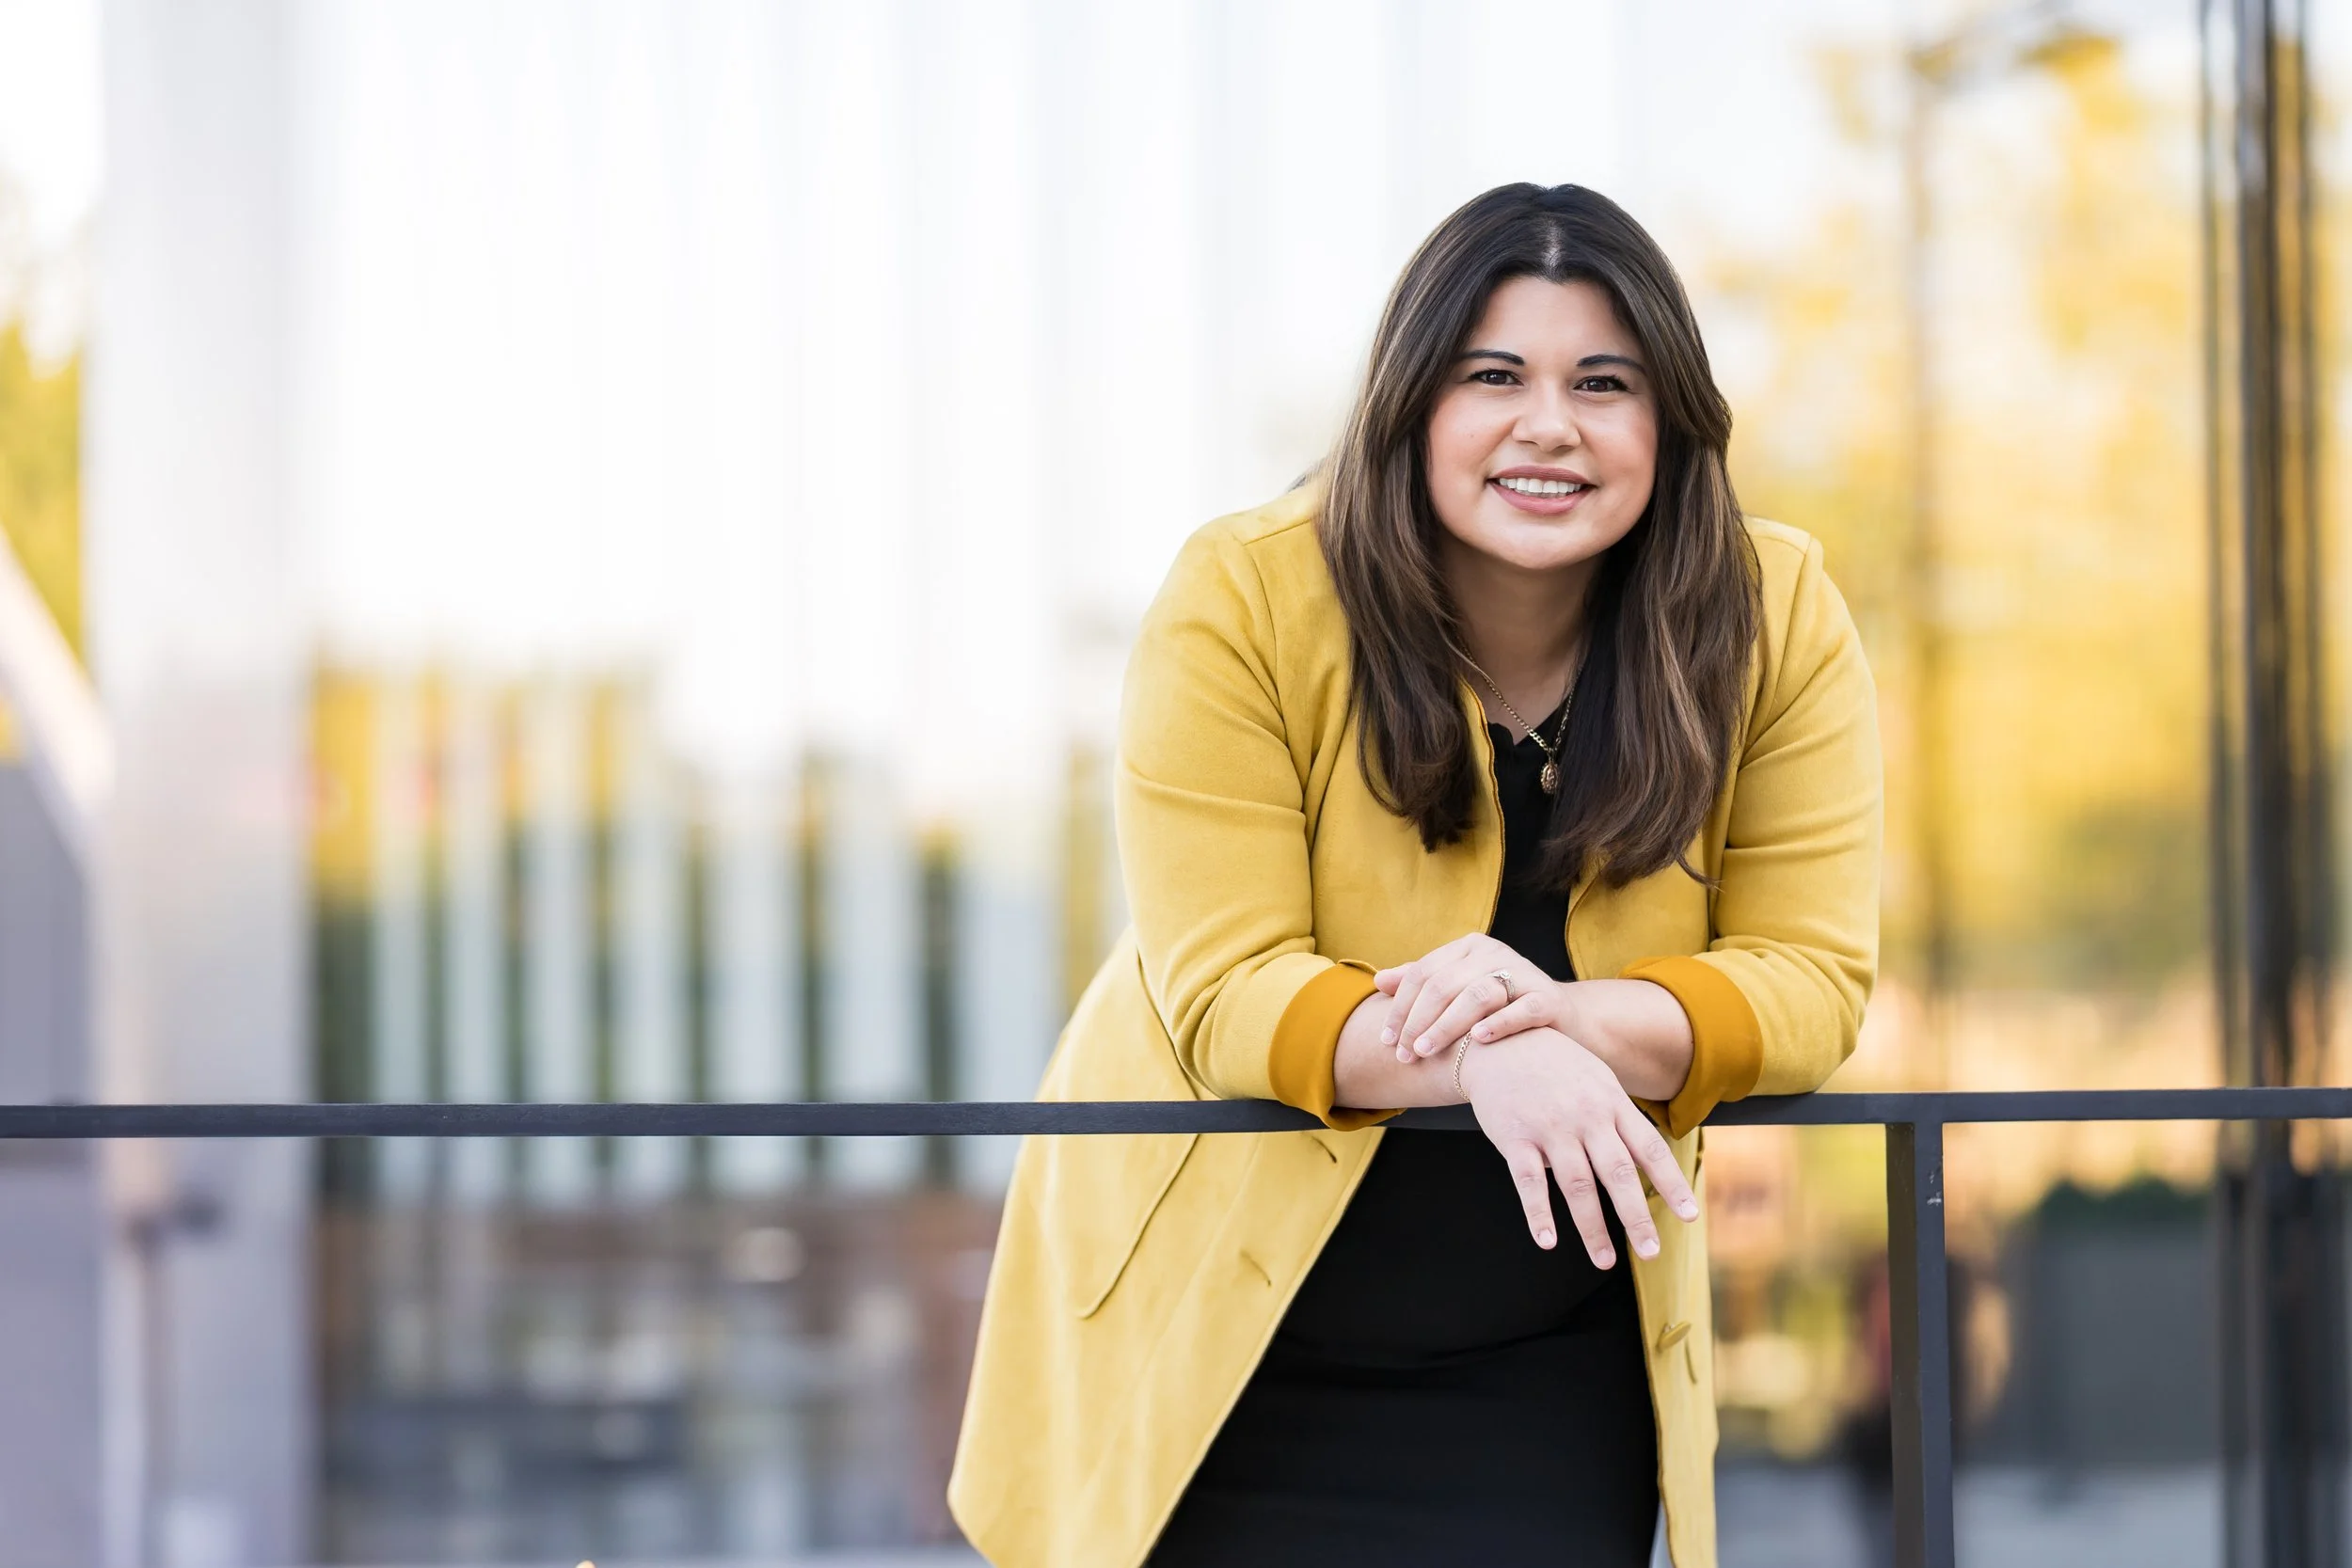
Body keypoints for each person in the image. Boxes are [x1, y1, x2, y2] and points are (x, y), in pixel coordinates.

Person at [947, 182, 1882, 1568]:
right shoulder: (1244, 595)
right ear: (1411, 406)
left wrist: (1551, 1022)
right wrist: (1493, 1057)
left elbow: (1810, 981)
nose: (1548, 423)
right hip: (1214, 1355)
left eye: (1604, 382)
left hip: (1546, 1362)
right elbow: (1224, 990)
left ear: (1669, 423)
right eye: (1492, 374)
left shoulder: (1775, 613)